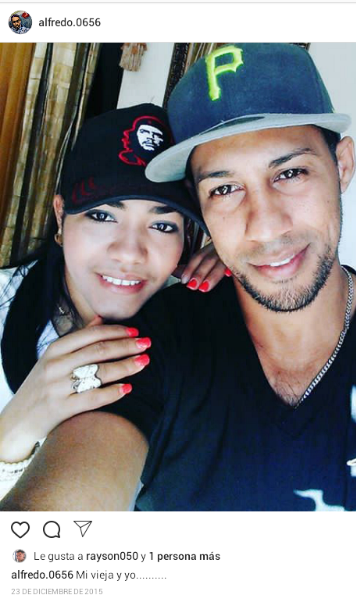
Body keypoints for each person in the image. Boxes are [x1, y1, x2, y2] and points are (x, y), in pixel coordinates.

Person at [2, 43, 356, 511]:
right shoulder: (153, 344)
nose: (264, 225)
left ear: (342, 165)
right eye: (225, 188)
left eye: (290, 173)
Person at [0, 103, 224, 502]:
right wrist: (12, 434)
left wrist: (247, 268)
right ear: (60, 216)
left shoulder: (197, 324)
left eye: (162, 225)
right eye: (103, 216)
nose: (130, 253)